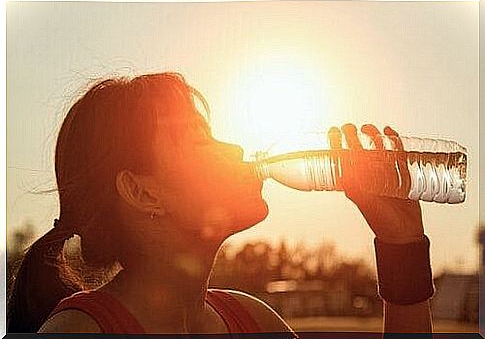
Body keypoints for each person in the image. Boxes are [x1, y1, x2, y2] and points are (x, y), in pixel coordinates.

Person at [7, 72, 433, 335]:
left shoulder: (251, 319)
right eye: (200, 139)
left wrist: (401, 244)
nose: (234, 148)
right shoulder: (79, 332)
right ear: (142, 192)